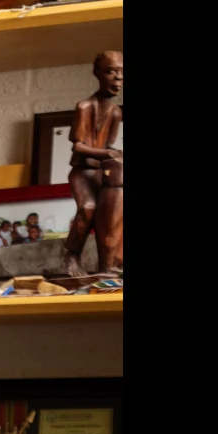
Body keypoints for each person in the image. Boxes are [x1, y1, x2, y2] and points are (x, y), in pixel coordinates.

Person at [63, 51, 123, 274]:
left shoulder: (116, 112)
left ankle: (111, 263)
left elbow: (108, 146)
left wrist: (115, 154)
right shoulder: (85, 107)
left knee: (112, 213)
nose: (117, 79)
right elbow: (78, 147)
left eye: (121, 74)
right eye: (110, 71)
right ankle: (72, 255)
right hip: (82, 172)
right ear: (97, 73)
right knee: (88, 209)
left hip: (101, 172)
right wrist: (109, 155)